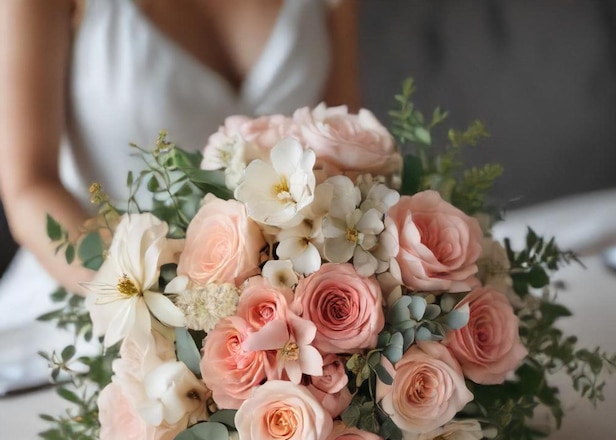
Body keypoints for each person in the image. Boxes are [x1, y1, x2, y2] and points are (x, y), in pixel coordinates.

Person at [0, 0, 360, 393]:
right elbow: (29, 184)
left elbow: (344, 151)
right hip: (92, 307)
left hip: (285, 327)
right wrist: (160, 308)